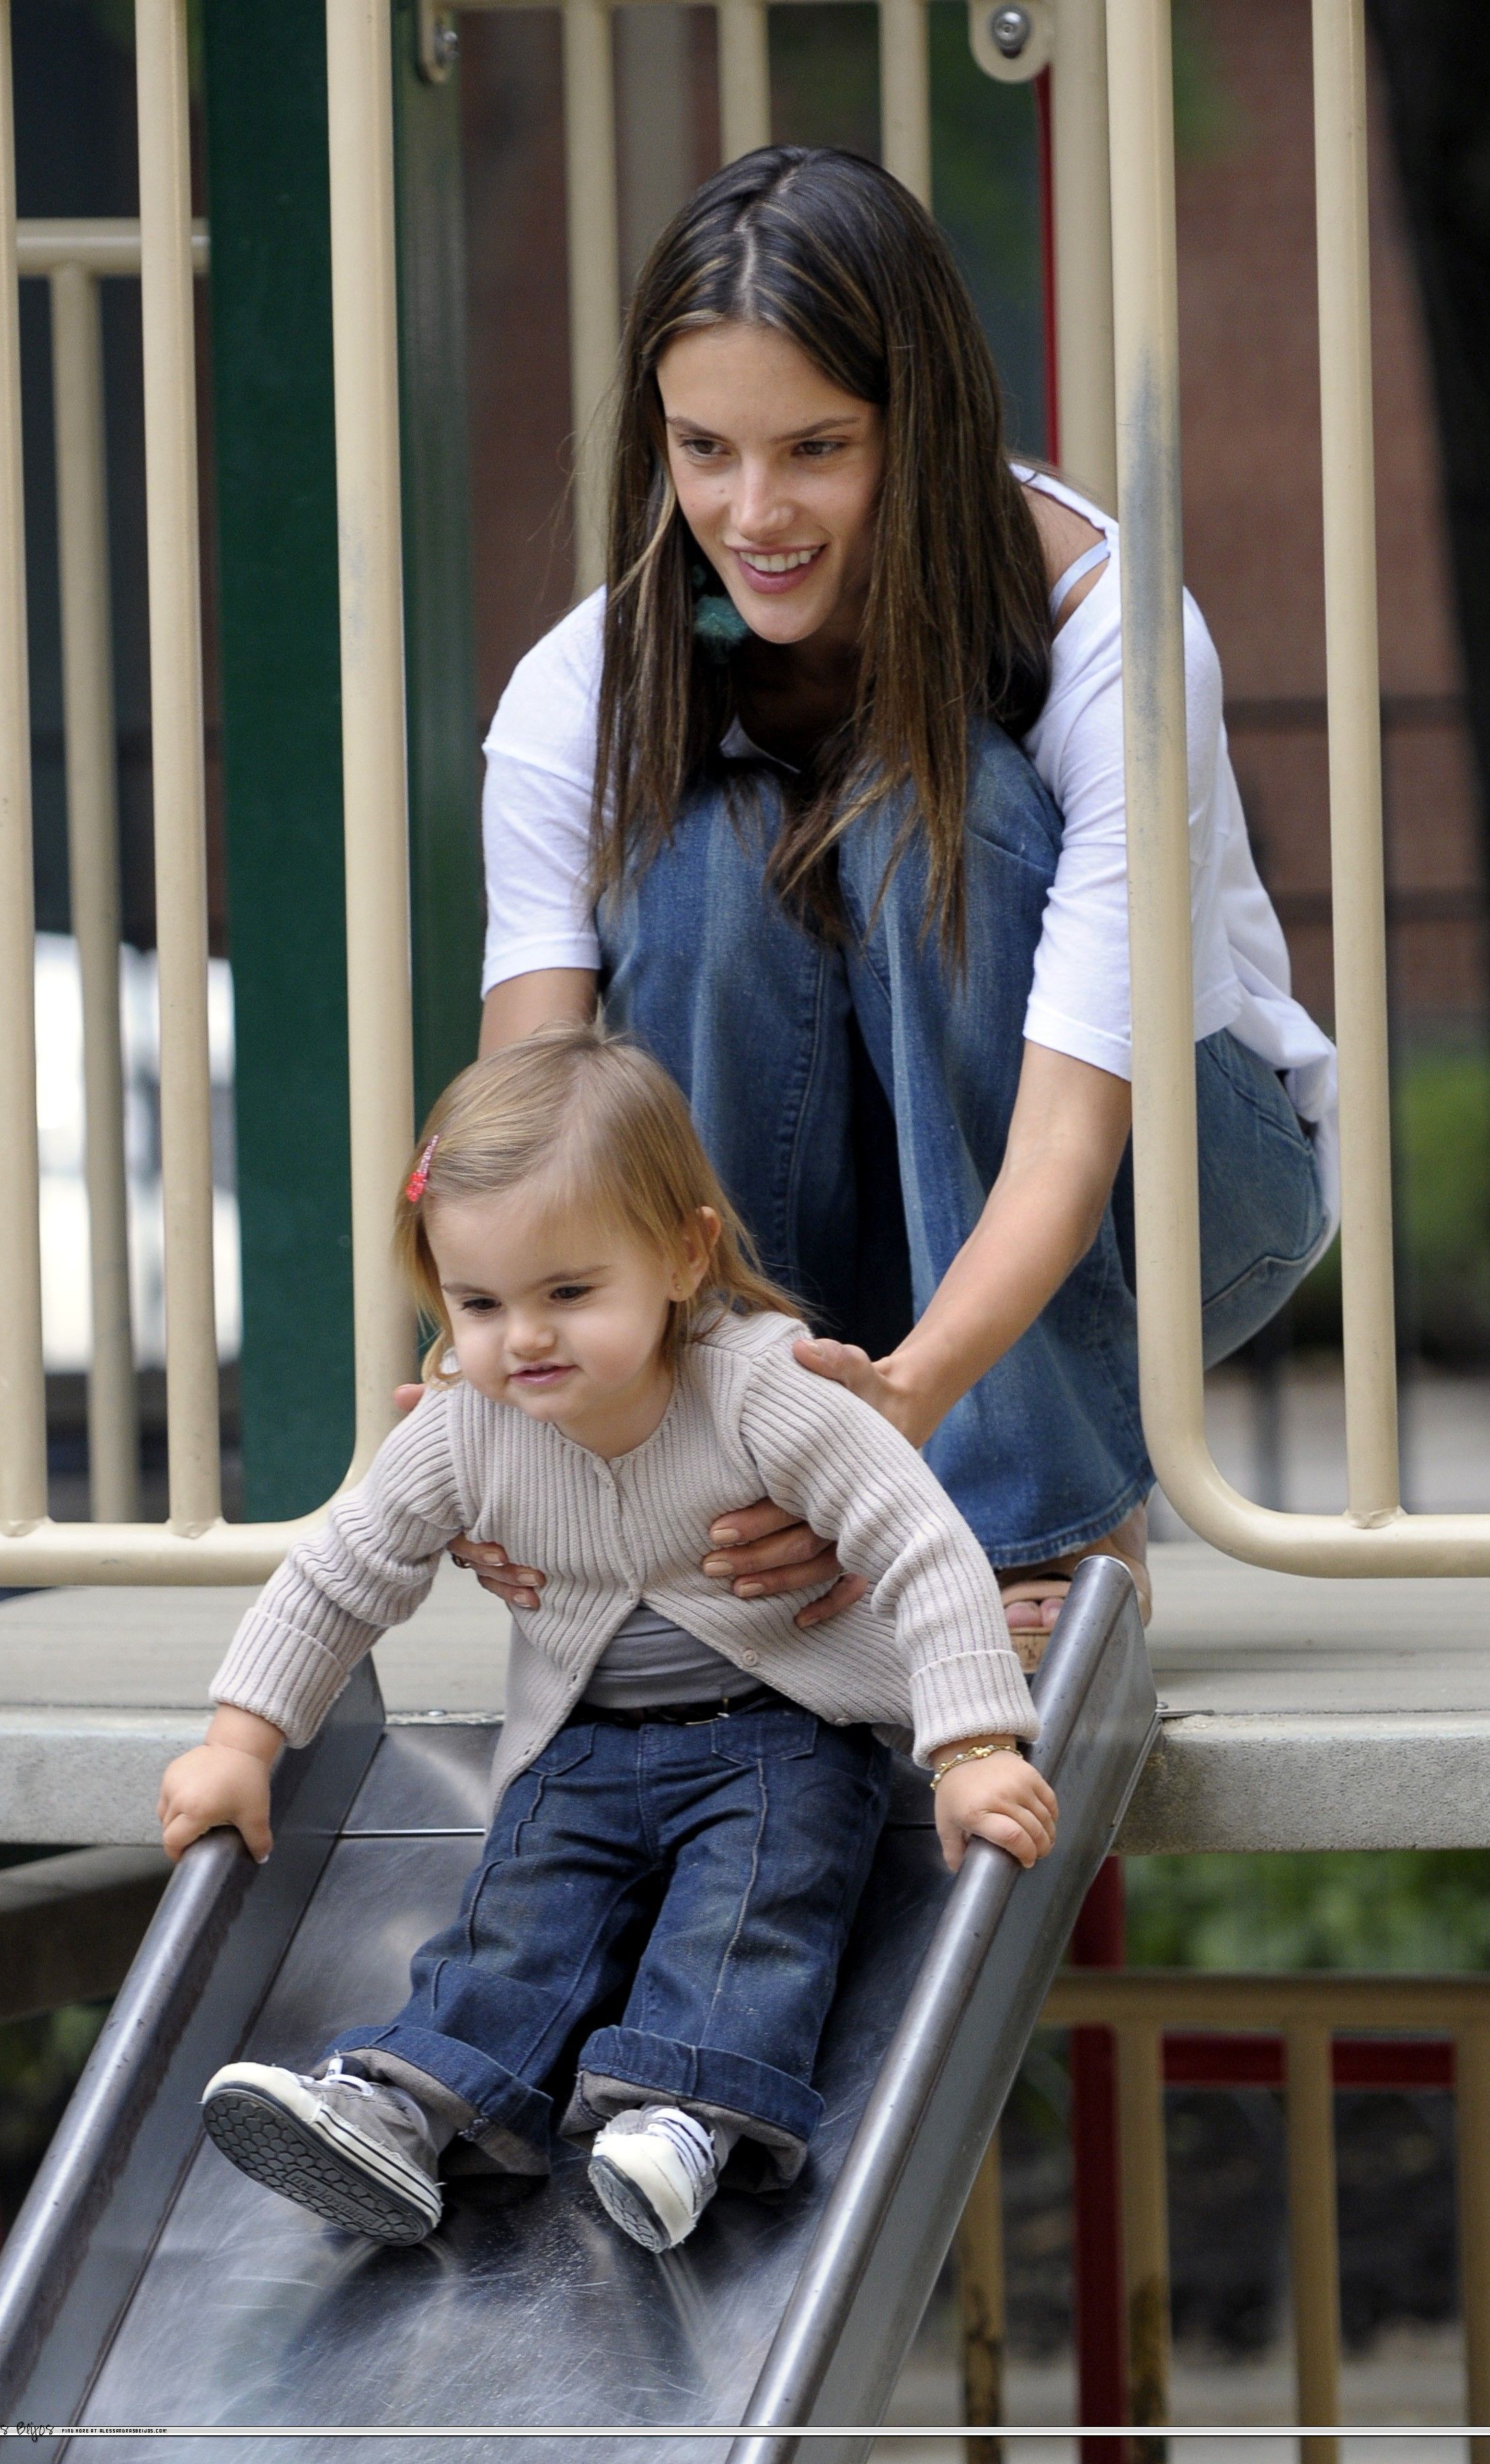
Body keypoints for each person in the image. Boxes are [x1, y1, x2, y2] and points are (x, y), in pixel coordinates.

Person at [457, 144, 1337, 1652]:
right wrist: (498, 1407)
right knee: (710, 858)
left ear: (916, 428)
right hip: (831, 1239)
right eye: (703, 450)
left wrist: (913, 1407)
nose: (754, 511)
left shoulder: (1106, 627)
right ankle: (725, 1477)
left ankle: (1045, 1523)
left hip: (1166, 1197)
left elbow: (1070, 1125)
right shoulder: (587, 686)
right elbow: (534, 1125)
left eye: (816, 447)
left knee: (936, 815)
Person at [159, 1026, 1054, 2257]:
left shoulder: (756, 1392)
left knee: (753, 1911)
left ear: (684, 1255)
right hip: (581, 1751)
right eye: (479, 1304)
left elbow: (921, 1540)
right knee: (518, 1919)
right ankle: (407, 2111)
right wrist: (239, 1742)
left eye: (568, 1294)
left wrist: (972, 1748)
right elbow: (337, 1572)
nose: (524, 1337)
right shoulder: (465, 1429)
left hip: (780, 1742)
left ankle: (691, 2120)